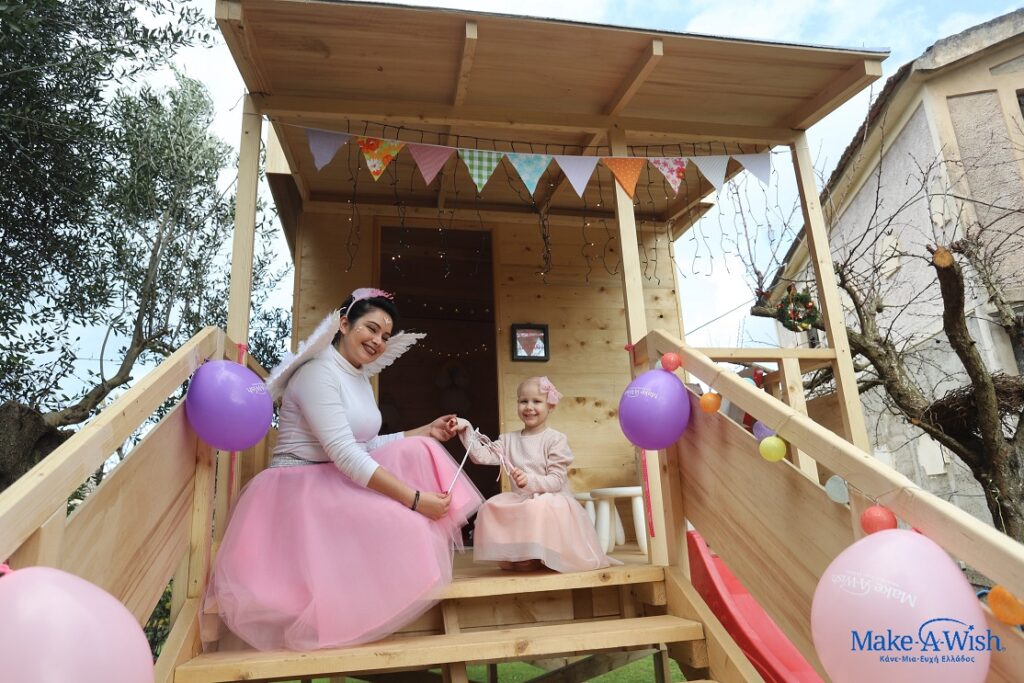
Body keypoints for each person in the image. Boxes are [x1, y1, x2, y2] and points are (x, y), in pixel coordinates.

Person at [202, 288, 483, 651]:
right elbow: (346, 455)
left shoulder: (359, 377)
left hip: (331, 477)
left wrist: (424, 430)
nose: (378, 341)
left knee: (421, 447)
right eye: (371, 329)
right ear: (345, 323)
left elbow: (365, 445)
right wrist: (415, 501)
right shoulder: (317, 372)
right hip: (297, 487)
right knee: (405, 520)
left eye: (385, 336)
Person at [456, 377, 617, 573]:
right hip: (522, 498)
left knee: (536, 507)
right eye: (524, 401)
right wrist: (466, 428)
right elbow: (480, 456)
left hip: (552, 498)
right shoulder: (508, 440)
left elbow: (556, 481)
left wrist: (529, 480)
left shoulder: (555, 439)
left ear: (550, 406)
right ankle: (520, 553)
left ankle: (537, 554)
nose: (529, 407)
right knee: (490, 507)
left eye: (537, 401)